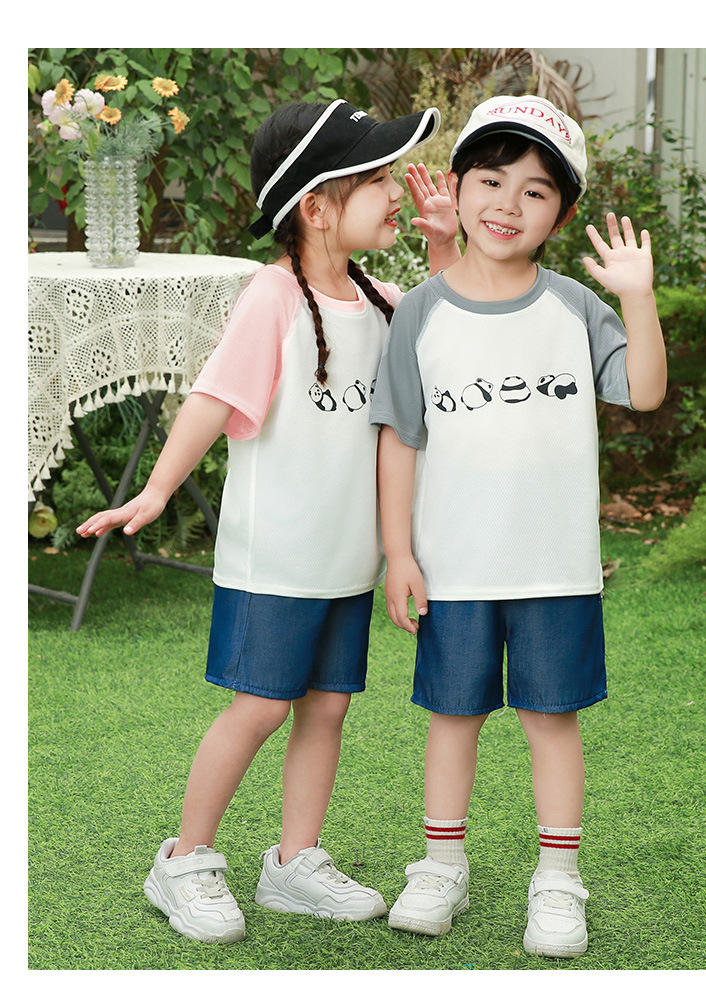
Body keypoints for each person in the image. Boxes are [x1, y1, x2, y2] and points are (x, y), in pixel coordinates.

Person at [76, 98, 460, 943]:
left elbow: (447, 330)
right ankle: (184, 860)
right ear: (317, 207)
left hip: (347, 562)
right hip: (276, 561)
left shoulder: (383, 299)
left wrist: (442, 245)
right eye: (377, 179)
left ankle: (294, 862)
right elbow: (213, 398)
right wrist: (156, 492)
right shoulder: (273, 296)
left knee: (327, 709)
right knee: (258, 710)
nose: (395, 191)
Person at [370, 94, 667, 957]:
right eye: (491, 181)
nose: (508, 204)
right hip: (454, 566)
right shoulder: (421, 312)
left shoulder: (575, 307)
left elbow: (644, 391)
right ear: (458, 188)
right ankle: (441, 866)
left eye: (535, 191)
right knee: (452, 717)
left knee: (551, 720)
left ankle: (559, 880)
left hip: (555, 567)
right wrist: (398, 552)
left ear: (561, 215)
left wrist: (638, 299)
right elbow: (400, 438)